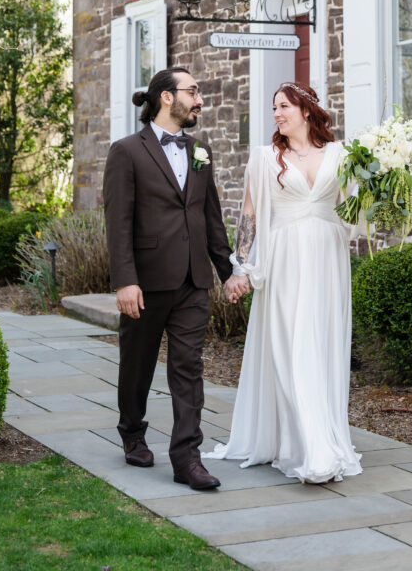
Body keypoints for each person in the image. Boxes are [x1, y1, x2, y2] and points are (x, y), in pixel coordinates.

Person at [205, 82, 362, 483]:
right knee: (291, 346)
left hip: (328, 260)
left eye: (284, 106)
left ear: (306, 111)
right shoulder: (264, 158)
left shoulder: (341, 155)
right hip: (286, 261)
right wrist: (240, 266)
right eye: (274, 107)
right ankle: (308, 448)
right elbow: (250, 217)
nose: (276, 113)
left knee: (321, 345)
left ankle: (323, 436)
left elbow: (355, 207)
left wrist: (385, 186)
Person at [103, 66, 248, 491]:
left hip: (192, 282)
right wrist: (125, 280)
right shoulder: (126, 150)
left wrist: (228, 272)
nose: (200, 99)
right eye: (193, 91)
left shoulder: (200, 150)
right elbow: (118, 221)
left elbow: (210, 219)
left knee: (188, 369)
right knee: (138, 365)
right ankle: (132, 431)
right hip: (145, 283)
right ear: (167, 97)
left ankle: (187, 458)